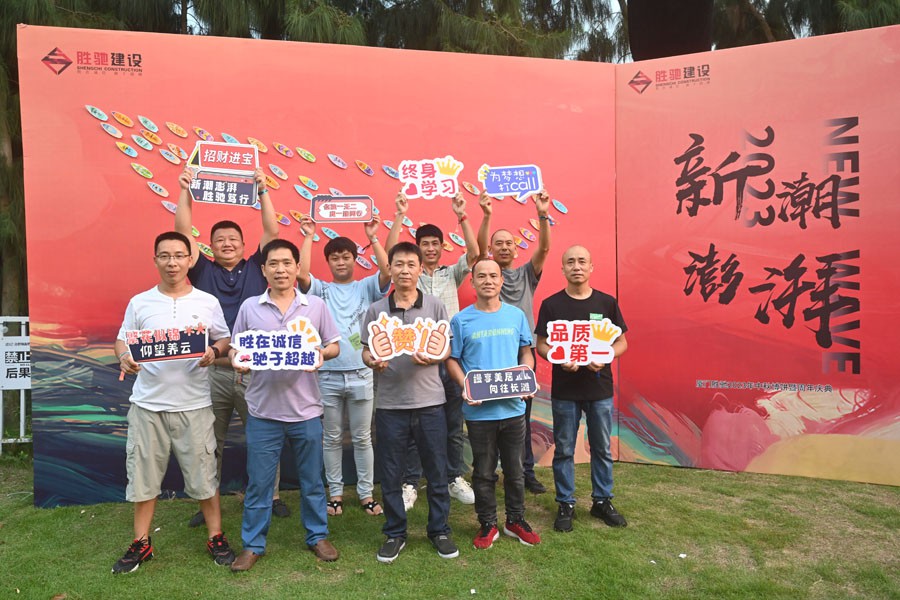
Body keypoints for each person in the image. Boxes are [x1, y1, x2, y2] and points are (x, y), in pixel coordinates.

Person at [112, 231, 235, 573]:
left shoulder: (206, 301)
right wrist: (124, 358)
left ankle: (216, 536)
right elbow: (122, 341)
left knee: (204, 476)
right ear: (155, 260)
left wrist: (214, 351)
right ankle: (141, 542)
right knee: (143, 478)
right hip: (148, 405)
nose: (172, 263)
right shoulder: (140, 302)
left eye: (179, 256)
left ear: (190, 260)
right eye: (165, 256)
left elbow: (224, 338)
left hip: (194, 404)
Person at [176, 167, 290, 526]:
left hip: (255, 371)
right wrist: (185, 191)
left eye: (233, 239)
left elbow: (272, 231)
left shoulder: (258, 267)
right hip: (211, 371)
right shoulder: (202, 271)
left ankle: (271, 496)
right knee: (210, 441)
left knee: (264, 437)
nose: (227, 244)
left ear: (243, 244)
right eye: (220, 240)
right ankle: (207, 502)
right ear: (209, 246)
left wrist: (263, 191)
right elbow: (182, 233)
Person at [228, 239, 342, 572]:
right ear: (263, 270)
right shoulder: (250, 307)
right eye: (273, 264)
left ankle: (317, 536)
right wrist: (237, 360)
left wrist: (321, 354)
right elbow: (236, 348)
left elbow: (334, 345)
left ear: (297, 267)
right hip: (263, 412)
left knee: (312, 480)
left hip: (306, 411)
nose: (280, 270)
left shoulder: (315, 306)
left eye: (287, 263)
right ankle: (253, 544)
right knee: (259, 483)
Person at [360, 242, 457, 563]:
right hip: (390, 405)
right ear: (389, 269)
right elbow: (366, 350)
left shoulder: (435, 306)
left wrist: (434, 356)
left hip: (430, 402)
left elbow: (446, 348)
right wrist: (372, 361)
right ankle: (394, 532)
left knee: (437, 470)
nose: (404, 270)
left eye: (410, 265)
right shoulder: (376, 310)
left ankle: (439, 530)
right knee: (391, 473)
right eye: (398, 264)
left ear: (419, 269)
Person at [385, 191, 479, 509]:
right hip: (415, 357)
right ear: (417, 248)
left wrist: (462, 215)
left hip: (449, 357)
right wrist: (399, 215)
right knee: (413, 424)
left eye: (435, 243)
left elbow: (475, 252)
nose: (430, 248)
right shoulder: (409, 274)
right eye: (424, 244)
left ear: (441, 247)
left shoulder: (451, 273)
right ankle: (411, 482)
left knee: (453, 423)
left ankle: (453, 477)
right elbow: (390, 254)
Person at [297, 214, 390, 517]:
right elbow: (301, 274)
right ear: (328, 262)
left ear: (354, 259)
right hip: (327, 376)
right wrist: (308, 236)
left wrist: (373, 237)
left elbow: (386, 271)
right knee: (332, 438)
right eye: (334, 258)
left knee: (363, 438)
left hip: (362, 374)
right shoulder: (321, 290)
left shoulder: (365, 287)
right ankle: (335, 494)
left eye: (346, 257)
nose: (340, 262)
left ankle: (366, 494)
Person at [445, 259, 542, 550]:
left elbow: (526, 353)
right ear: (472, 282)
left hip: (513, 408)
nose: (488, 281)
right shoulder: (461, 320)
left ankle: (515, 520)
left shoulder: (516, 316)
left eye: (493, 276)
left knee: (515, 470)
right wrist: (464, 386)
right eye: (481, 276)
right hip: (479, 412)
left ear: (501, 281)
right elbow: (452, 359)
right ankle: (487, 523)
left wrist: (526, 377)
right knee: (484, 471)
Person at [535, 245, 629, 532]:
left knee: (601, 447)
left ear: (591, 267)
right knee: (564, 448)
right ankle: (566, 503)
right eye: (570, 262)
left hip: (599, 389)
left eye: (582, 261)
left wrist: (606, 357)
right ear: (562, 268)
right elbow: (541, 344)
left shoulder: (606, 303)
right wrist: (558, 359)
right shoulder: (552, 305)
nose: (576, 266)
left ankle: (602, 501)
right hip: (565, 390)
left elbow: (622, 342)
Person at [477, 190, 552, 494]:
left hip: (523, 353)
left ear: (516, 248)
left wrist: (542, 213)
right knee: (491, 415)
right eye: (499, 243)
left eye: (509, 243)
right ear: (491, 250)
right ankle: (490, 473)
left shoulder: (526, 274)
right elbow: (478, 249)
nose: (505, 247)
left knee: (521, 415)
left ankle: (525, 473)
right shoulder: (487, 274)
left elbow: (544, 248)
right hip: (491, 350)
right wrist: (486, 215)